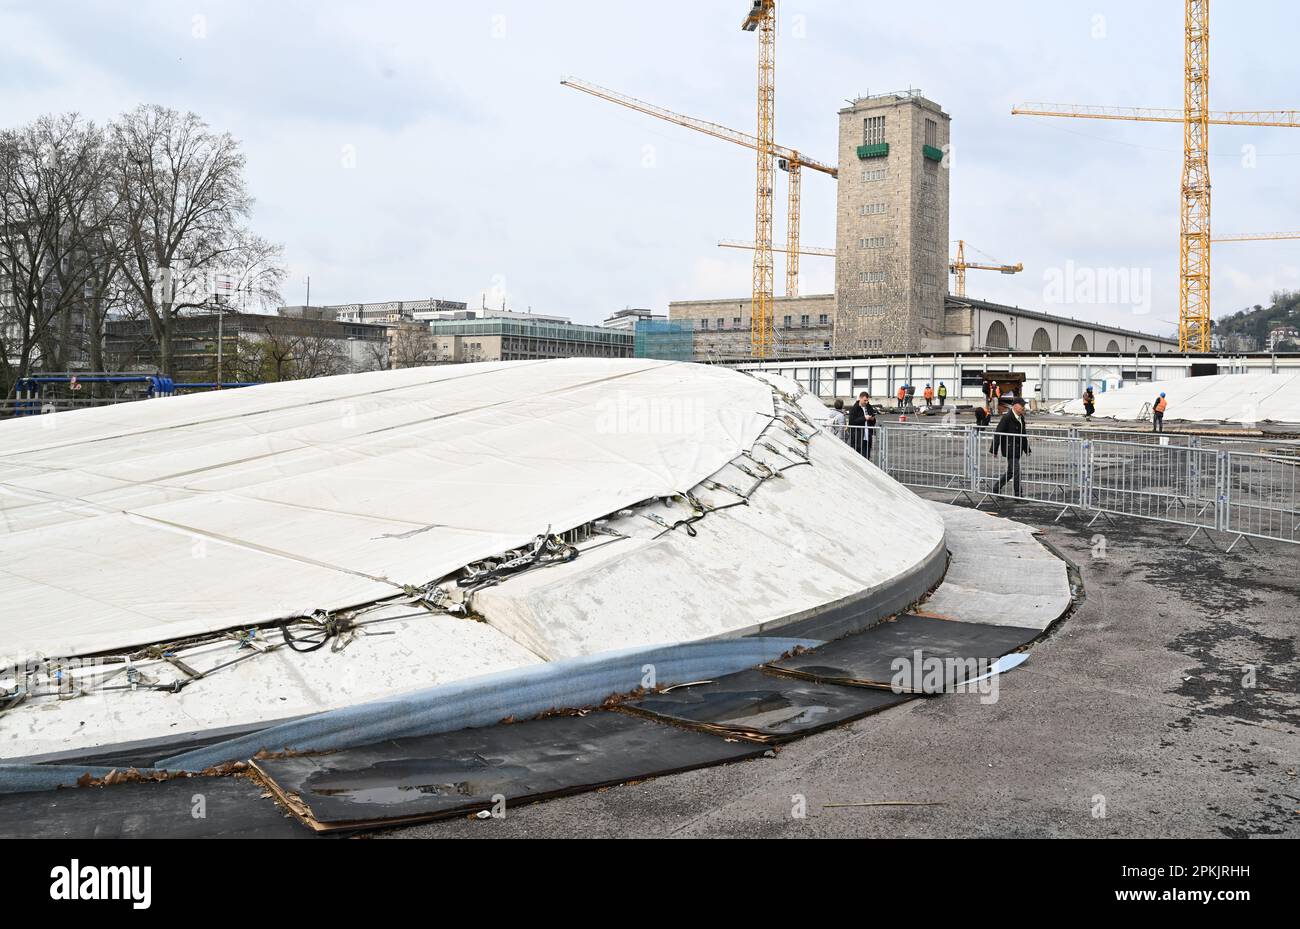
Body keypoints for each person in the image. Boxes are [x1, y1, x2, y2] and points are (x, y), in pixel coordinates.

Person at [990, 401, 1032, 497]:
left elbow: (1023, 434)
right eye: (1022, 406)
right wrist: (994, 449)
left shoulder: (1021, 417)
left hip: (1018, 449)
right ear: (1015, 406)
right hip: (1010, 449)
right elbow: (998, 433)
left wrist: (1027, 449)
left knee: (1010, 472)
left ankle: (996, 488)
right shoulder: (1007, 417)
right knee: (1017, 471)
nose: (1023, 408)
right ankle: (1018, 495)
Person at [847, 391, 877, 459]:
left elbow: (873, 420)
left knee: (866, 457)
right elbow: (851, 422)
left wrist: (872, 419)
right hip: (858, 438)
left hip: (867, 437)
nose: (866, 402)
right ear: (860, 398)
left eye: (867, 400)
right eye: (865, 400)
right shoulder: (854, 408)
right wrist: (864, 418)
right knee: (858, 458)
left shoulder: (869, 407)